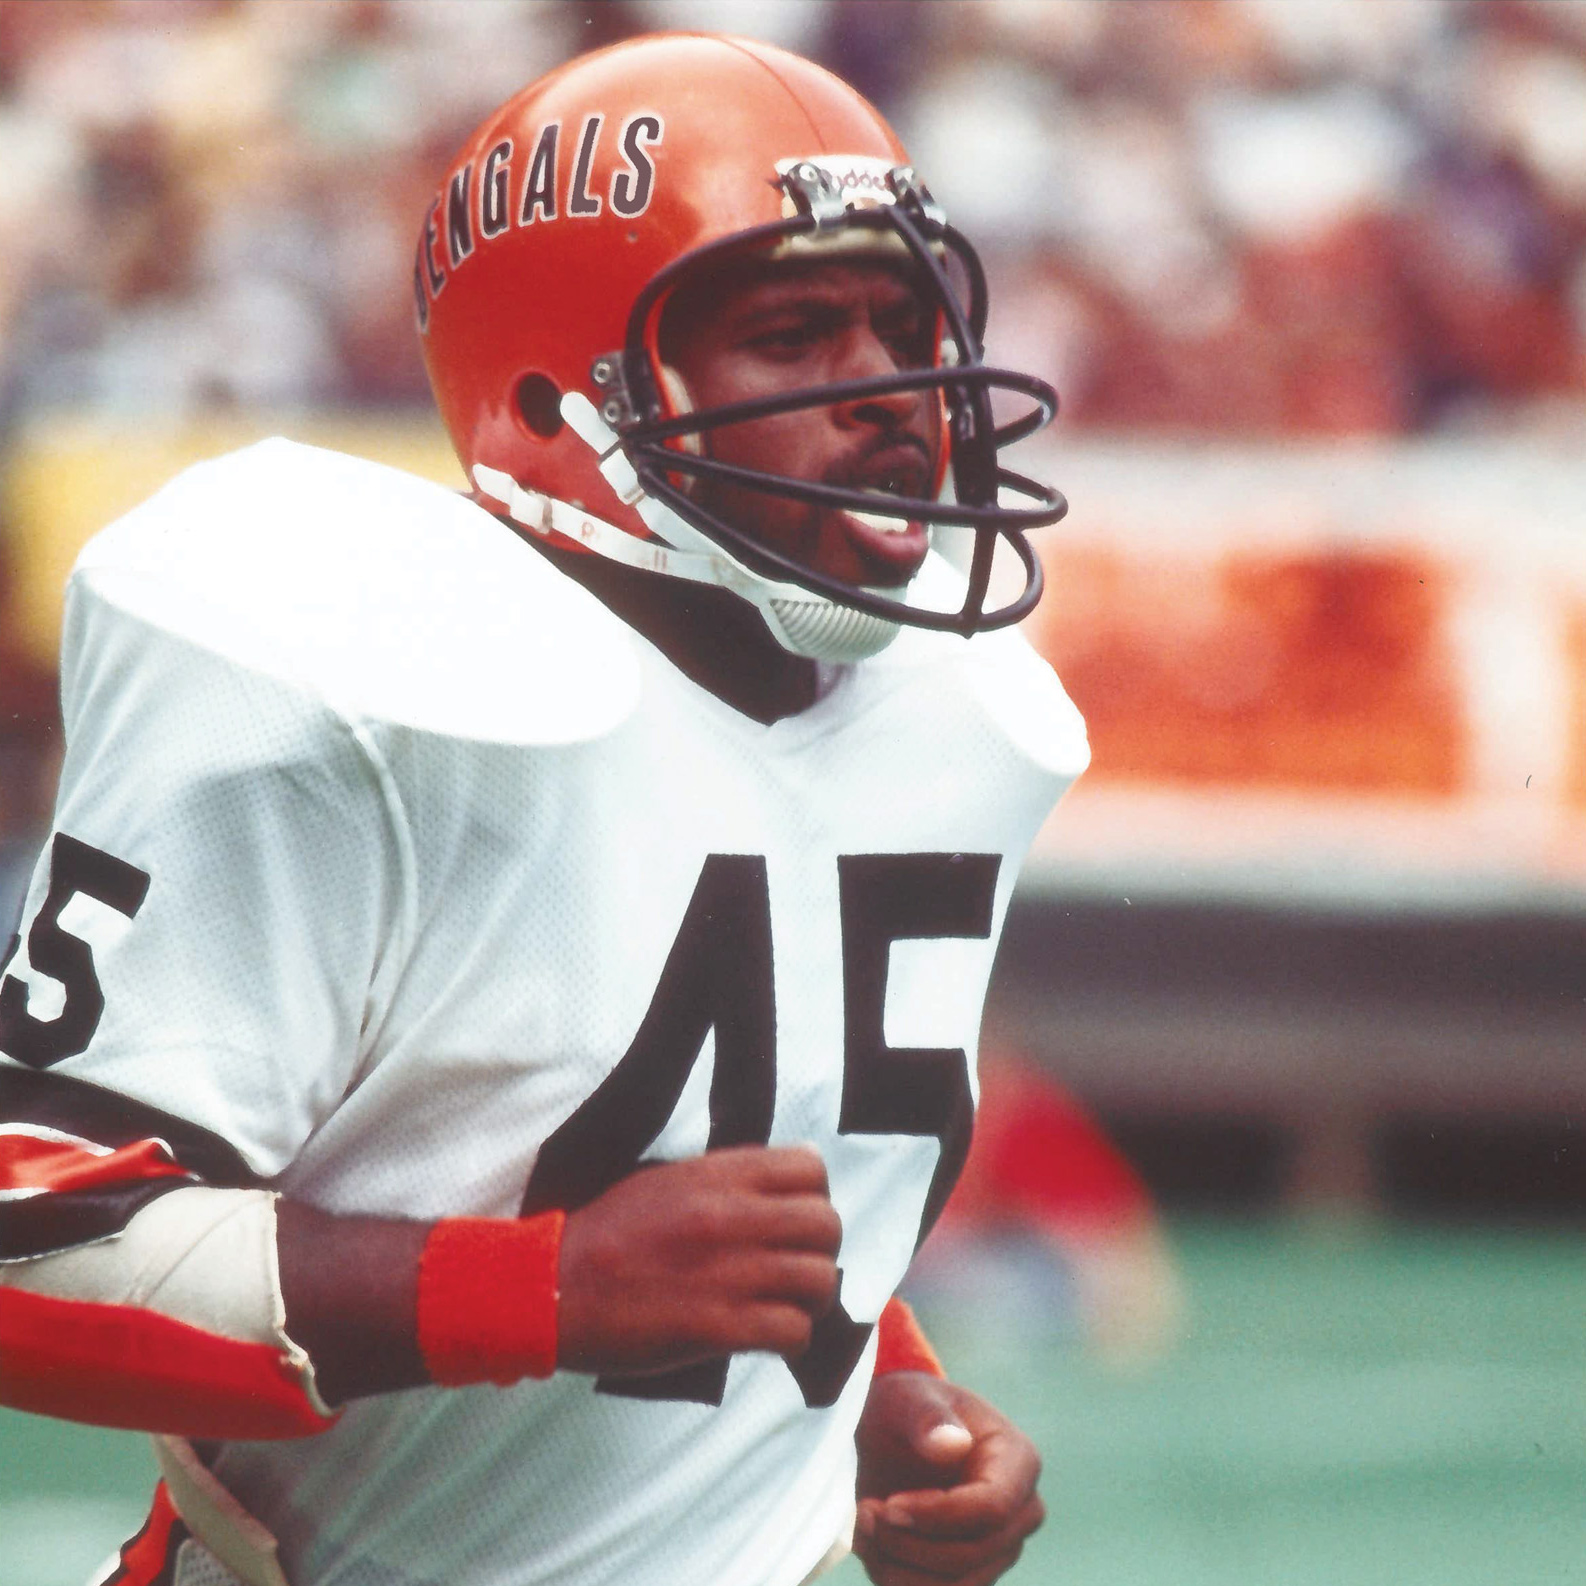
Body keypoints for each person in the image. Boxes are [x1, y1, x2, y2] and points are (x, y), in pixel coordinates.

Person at [0, 32, 1089, 1586]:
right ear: (551, 393)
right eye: (795, 335)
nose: (891, 396)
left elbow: (711, 1148)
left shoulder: (945, 712)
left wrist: (869, 1386)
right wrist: (545, 1291)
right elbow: (23, 1243)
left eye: (902, 323)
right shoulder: (366, 680)